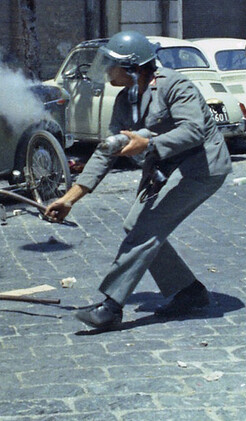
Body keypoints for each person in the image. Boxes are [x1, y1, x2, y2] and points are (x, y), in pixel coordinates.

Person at [45, 31, 232, 330]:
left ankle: (111, 306)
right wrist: (69, 199)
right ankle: (188, 292)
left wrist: (149, 145)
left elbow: (194, 131)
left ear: (133, 67)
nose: (106, 70)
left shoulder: (175, 86)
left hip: (199, 169)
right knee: (137, 225)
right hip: (164, 169)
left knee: (146, 228)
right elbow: (108, 149)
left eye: (112, 64)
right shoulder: (124, 100)